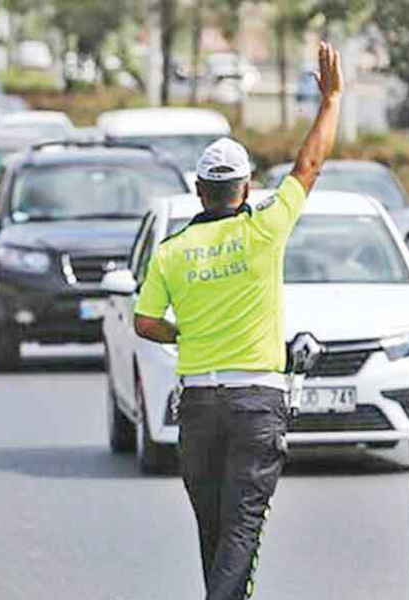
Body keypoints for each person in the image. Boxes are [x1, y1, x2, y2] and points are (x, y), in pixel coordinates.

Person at [133, 41, 344, 600]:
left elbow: (145, 322)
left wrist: (188, 333)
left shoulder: (173, 250)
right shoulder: (265, 229)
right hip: (256, 404)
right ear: (247, 188)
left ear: (199, 191)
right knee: (241, 529)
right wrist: (332, 100)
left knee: (215, 529)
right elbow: (310, 164)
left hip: (199, 406)